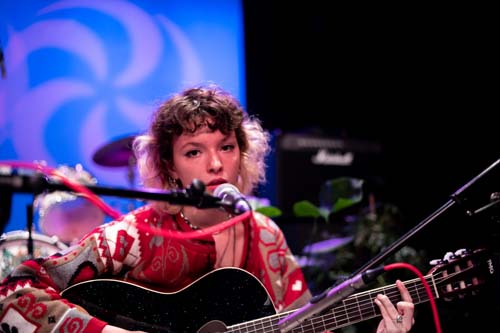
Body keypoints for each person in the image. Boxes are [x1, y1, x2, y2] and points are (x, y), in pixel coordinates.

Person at [0, 84, 414, 333]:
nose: (216, 164)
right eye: (194, 151)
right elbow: (14, 291)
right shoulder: (137, 235)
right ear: (170, 167)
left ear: (242, 155)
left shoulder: (265, 237)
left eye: (227, 147)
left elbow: (300, 323)